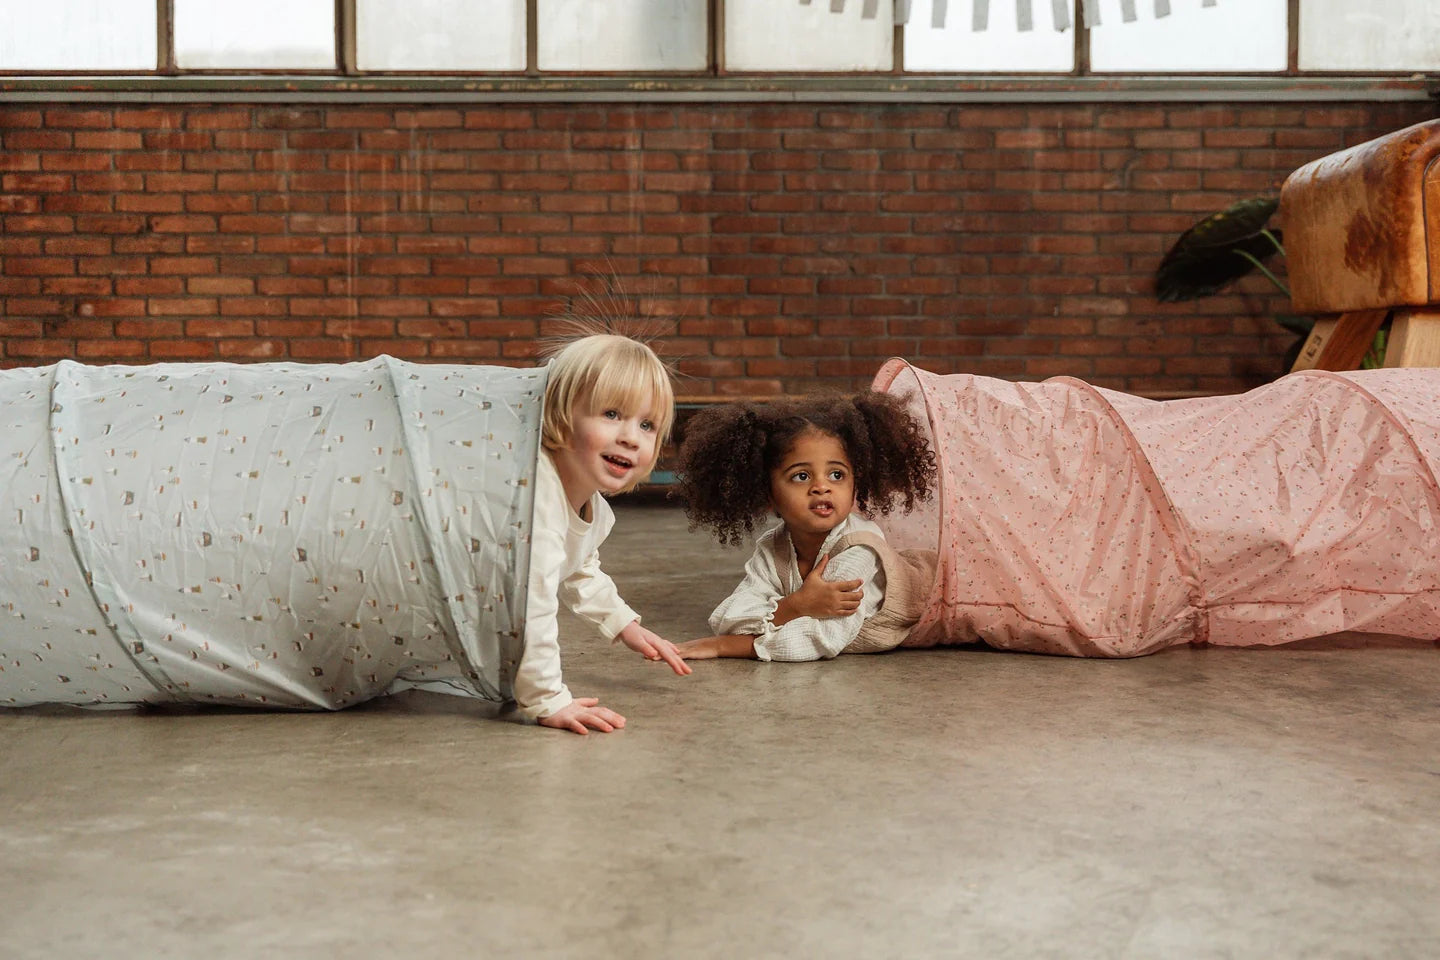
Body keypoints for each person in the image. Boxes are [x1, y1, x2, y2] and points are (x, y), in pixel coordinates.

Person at [672, 393, 937, 662]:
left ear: (855, 484)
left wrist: (725, 646)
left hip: (945, 593)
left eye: (837, 474)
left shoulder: (859, 552)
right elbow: (730, 618)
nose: (822, 486)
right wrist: (796, 605)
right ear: (768, 494)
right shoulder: (773, 547)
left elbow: (821, 639)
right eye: (801, 476)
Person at [520, 333, 692, 733]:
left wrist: (625, 625)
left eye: (647, 425)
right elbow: (531, 604)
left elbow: (580, 568)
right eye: (612, 414)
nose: (631, 437)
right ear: (560, 414)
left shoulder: (596, 511)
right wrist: (547, 698)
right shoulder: (536, 497)